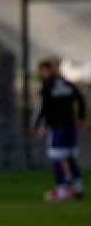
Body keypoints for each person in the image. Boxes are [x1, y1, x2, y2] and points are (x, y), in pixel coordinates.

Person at [33, 58, 86, 202]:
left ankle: (62, 190)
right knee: (70, 156)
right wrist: (82, 118)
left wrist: (38, 125)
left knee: (56, 157)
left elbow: (44, 108)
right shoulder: (68, 85)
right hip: (70, 126)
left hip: (56, 127)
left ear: (46, 70)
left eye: (41, 71)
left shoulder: (48, 86)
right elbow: (81, 99)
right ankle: (78, 187)